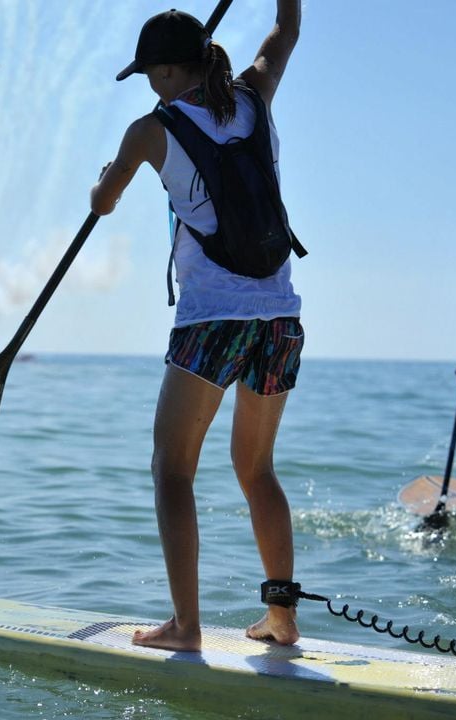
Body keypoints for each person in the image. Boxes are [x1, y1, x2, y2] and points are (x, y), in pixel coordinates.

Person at [90, 1, 303, 650]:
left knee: (172, 471)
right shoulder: (256, 96)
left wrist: (105, 182)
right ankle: (283, 618)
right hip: (280, 319)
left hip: (211, 319)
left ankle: (186, 628)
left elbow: (103, 204)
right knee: (257, 470)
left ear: (170, 71)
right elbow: (284, 30)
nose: (154, 88)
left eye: (155, 76)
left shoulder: (150, 130)